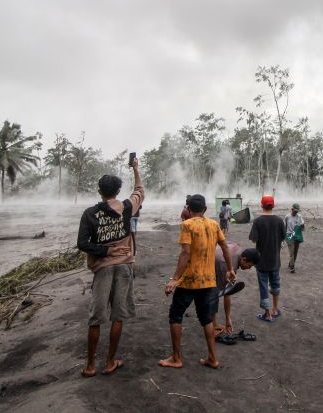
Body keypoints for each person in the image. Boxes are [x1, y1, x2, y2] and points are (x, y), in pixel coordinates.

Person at [76, 161, 144, 377]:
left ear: (99, 191)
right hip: (123, 267)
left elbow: (82, 243)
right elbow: (140, 191)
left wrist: (103, 251)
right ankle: (110, 361)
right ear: (117, 191)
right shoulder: (126, 206)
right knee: (118, 316)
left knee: (96, 317)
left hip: (102, 269)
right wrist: (135, 168)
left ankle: (90, 366)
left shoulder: (90, 213)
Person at [160, 194, 235, 370]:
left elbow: (185, 253)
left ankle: (176, 358)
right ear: (205, 210)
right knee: (206, 319)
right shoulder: (213, 224)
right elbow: (224, 247)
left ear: (188, 209)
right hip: (209, 281)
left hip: (189, 281)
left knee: (175, 316)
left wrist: (174, 279)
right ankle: (212, 358)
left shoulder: (187, 225)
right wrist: (230, 269)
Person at [248, 195, 285, 323]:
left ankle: (268, 314)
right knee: (275, 284)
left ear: (262, 205)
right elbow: (283, 237)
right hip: (275, 260)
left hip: (261, 261)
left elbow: (253, 238)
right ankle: (275, 309)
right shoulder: (279, 221)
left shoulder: (258, 221)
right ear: (273, 206)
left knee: (263, 286)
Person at [211, 245, 260, 336]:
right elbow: (222, 293)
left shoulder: (238, 250)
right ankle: (212, 327)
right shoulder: (228, 265)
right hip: (205, 264)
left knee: (218, 291)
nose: (249, 268)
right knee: (213, 294)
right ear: (244, 259)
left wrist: (228, 318)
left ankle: (214, 324)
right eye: (249, 265)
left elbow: (228, 291)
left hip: (213, 258)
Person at [284, 203, 305, 273]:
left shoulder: (299, 216)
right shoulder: (287, 217)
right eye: (295, 210)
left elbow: (302, 227)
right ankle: (292, 267)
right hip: (289, 235)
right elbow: (284, 226)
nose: (296, 212)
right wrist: (283, 236)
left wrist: (302, 225)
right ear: (292, 209)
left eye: (297, 211)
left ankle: (291, 263)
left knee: (295, 252)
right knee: (291, 252)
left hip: (297, 236)